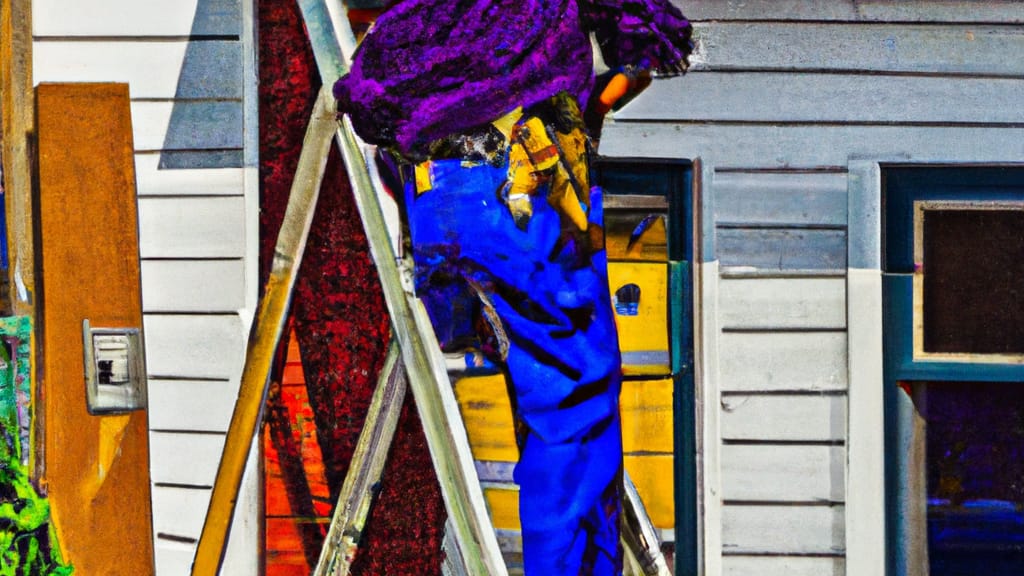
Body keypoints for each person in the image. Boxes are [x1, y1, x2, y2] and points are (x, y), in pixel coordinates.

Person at [334, 1, 691, 573]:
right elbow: (655, 37)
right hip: (526, 198)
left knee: (530, 365)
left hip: (437, 214)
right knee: (574, 400)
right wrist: (592, 108)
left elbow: (361, 97)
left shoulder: (414, 17)